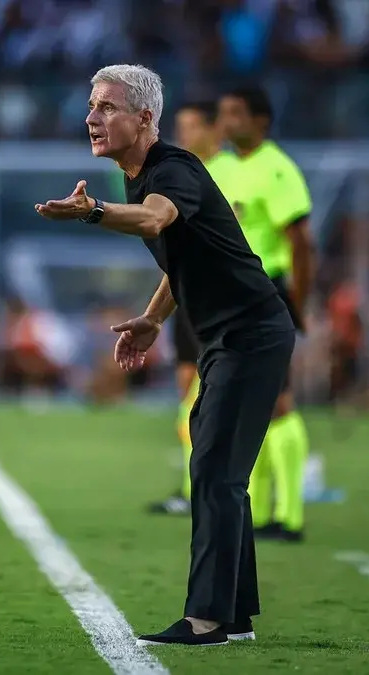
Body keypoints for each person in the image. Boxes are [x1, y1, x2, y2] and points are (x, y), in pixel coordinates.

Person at [35, 64, 295, 647]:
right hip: (226, 338)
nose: (91, 118)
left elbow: (155, 220)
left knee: (214, 471)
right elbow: (187, 256)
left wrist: (93, 213)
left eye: (106, 107)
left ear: (145, 118)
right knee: (216, 468)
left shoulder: (170, 171)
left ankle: (207, 620)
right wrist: (154, 317)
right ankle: (234, 614)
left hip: (252, 334)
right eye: (91, 106)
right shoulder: (142, 173)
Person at [208, 85, 315, 542]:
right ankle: (252, 512)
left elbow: (301, 242)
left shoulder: (278, 169)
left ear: (261, 121)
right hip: (221, 297)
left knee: (277, 401)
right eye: (223, 112)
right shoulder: (219, 167)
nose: (227, 121)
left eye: (236, 112)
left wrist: (299, 304)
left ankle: (289, 516)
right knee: (240, 402)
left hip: (265, 291)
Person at [149, 100, 225, 515]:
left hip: (219, 296)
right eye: (180, 126)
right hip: (185, 292)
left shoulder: (229, 173)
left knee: (208, 396)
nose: (185, 134)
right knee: (185, 390)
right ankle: (188, 487)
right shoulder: (177, 171)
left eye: (193, 126)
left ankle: (212, 486)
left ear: (215, 131)